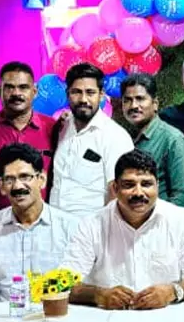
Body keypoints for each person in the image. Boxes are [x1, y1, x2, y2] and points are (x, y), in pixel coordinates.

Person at [61, 150, 184, 310]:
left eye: (146, 184)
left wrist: (172, 291)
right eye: (129, 185)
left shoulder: (183, 220)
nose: (138, 192)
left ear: (157, 186)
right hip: (107, 318)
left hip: (168, 317)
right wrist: (98, 295)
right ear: (115, 188)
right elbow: (63, 284)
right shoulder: (92, 224)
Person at [0, 143, 78, 303]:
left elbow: (77, 285)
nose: (17, 186)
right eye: (9, 179)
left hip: (52, 314)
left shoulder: (70, 227)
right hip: (3, 316)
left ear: (42, 179)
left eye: (25, 177)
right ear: (1, 186)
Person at [0, 61, 59, 215]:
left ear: (34, 91)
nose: (16, 93)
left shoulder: (53, 128)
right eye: (10, 87)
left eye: (23, 87)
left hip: (43, 221)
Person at [50, 63, 134, 217]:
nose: (83, 99)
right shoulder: (63, 126)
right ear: (67, 94)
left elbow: (119, 193)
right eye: (76, 92)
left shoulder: (115, 136)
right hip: (54, 225)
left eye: (90, 92)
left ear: (101, 94)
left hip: (91, 228)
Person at [119, 73, 184, 208]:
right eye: (127, 100)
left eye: (140, 99)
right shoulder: (123, 138)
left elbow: (181, 197)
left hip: (159, 218)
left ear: (155, 104)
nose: (134, 105)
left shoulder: (172, 139)